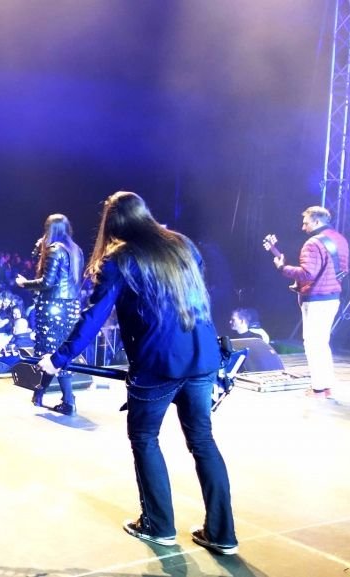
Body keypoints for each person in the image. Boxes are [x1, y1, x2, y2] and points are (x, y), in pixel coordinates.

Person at [37, 191, 238, 555]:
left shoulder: (120, 259)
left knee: (145, 438)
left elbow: (94, 317)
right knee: (203, 441)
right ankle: (222, 534)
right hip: (202, 357)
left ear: (112, 223)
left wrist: (58, 358)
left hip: (157, 365)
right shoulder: (182, 244)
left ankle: (158, 525)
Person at [271, 206, 349, 398]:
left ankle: (318, 389)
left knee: (313, 344)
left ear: (316, 221)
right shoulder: (340, 239)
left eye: (306, 223)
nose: (303, 227)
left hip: (316, 300)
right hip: (332, 297)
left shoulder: (313, 243)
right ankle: (326, 386)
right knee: (322, 343)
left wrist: (282, 268)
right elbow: (343, 270)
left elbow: (308, 273)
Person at [15, 213, 84, 415]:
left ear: (50, 229)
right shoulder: (76, 250)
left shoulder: (55, 250)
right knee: (58, 353)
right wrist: (40, 250)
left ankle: (68, 401)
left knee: (51, 353)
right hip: (70, 307)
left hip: (53, 307)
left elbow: (47, 282)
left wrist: (24, 284)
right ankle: (40, 393)